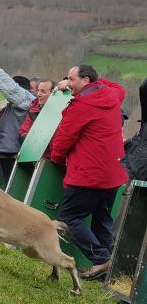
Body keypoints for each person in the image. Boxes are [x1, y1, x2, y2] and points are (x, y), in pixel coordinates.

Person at [50, 65, 128, 280]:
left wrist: (56, 160)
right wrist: (84, 81)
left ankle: (101, 260)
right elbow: (117, 86)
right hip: (112, 173)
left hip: (89, 174)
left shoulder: (82, 105)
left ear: (85, 80)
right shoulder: (111, 95)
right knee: (102, 219)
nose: (69, 83)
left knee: (70, 217)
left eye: (72, 79)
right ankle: (111, 271)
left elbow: (64, 139)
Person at [0, 58, 36, 181]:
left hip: (13, 155)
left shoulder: (24, 103)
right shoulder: (9, 106)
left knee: (9, 186)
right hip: (4, 153)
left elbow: (11, 90)